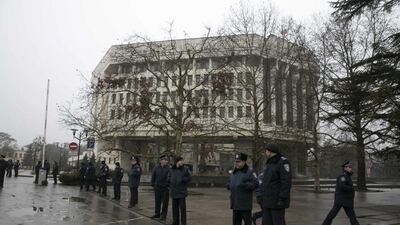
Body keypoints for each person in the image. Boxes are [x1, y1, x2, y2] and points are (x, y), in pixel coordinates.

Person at [261, 143, 292, 225]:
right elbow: (267, 181)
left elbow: (286, 182)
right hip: (268, 201)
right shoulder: (270, 162)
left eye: (266, 151)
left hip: (277, 202)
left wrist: (282, 199)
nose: (265, 153)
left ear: (270, 152)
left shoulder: (283, 162)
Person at [322, 161, 360, 225]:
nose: (351, 168)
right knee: (332, 215)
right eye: (349, 167)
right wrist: (351, 188)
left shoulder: (347, 176)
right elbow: (342, 186)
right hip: (341, 200)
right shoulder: (342, 177)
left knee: (352, 217)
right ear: (345, 168)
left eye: (350, 167)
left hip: (347, 201)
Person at [227, 153, 259, 225]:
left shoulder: (250, 172)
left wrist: (246, 185)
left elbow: (256, 183)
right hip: (235, 204)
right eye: (235, 161)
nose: (236, 163)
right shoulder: (234, 172)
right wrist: (229, 185)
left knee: (247, 223)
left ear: (244, 162)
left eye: (238, 161)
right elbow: (229, 182)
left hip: (245, 205)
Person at [169, 156, 191, 225]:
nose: (182, 162)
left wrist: (183, 180)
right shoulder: (172, 169)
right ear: (177, 161)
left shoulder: (185, 169)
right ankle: (175, 222)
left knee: (182, 209)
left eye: (183, 160)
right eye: (181, 160)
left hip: (181, 192)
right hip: (174, 192)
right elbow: (168, 177)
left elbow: (189, 178)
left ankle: (183, 223)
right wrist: (169, 182)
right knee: (175, 209)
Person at [150, 155, 171, 221]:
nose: (166, 161)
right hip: (157, 188)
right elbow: (153, 176)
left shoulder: (169, 168)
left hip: (165, 188)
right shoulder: (156, 167)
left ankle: (163, 215)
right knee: (157, 201)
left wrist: (168, 186)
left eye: (166, 160)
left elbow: (170, 178)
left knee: (165, 203)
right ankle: (157, 214)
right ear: (161, 161)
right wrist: (153, 184)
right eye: (164, 160)